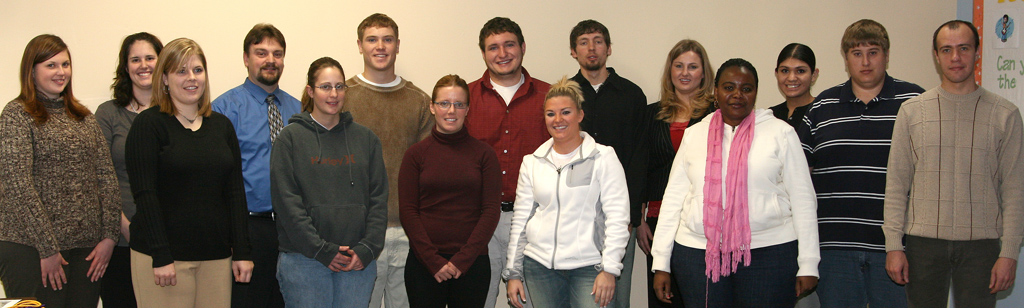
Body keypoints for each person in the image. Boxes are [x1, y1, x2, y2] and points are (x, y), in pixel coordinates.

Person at [650, 58, 819, 307]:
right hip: (698, 255)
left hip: (769, 253)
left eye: (746, 88)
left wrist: (808, 263)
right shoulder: (695, 135)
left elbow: (803, 200)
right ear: (715, 92)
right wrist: (661, 262)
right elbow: (673, 199)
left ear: (755, 93)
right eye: (729, 87)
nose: (737, 95)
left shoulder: (780, 133)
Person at [884, 20, 1024, 307]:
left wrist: (1009, 253)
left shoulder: (1005, 114)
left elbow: (1015, 189)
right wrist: (894, 246)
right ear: (936, 56)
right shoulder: (912, 112)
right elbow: (897, 184)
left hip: (982, 247)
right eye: (946, 50)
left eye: (963, 48)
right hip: (922, 245)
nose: (955, 57)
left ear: (977, 53)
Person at [796, 19, 924, 308]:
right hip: (834, 251)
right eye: (856, 53)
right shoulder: (821, 107)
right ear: (846, 59)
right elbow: (798, 178)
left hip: (895, 249)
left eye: (873, 52)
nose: (865, 62)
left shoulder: (915, 102)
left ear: (887, 55)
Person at [125, 38, 253, 308]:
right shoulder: (148, 125)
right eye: (181, 71)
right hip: (164, 260)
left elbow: (234, 192)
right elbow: (145, 195)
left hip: (216, 257)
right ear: (165, 79)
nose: (191, 78)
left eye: (198, 70)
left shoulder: (221, 126)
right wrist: (161, 255)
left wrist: (242, 251)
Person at [0, 34, 120, 308]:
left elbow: (107, 178)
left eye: (65, 64)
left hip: (86, 253)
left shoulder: (84, 117)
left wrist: (109, 237)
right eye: (51, 65)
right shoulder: (16, 115)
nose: (61, 72)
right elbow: (18, 185)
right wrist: (47, 248)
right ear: (31, 70)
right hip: (30, 250)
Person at [270, 56, 387, 307]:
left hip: (356, 261)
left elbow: (379, 199)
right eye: (325, 87)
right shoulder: (289, 139)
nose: (333, 94)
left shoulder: (366, 140)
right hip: (304, 260)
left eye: (339, 86)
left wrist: (368, 249)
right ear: (311, 91)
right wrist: (321, 250)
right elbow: (287, 203)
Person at [504, 77, 630, 308]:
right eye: (551, 114)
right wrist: (513, 273)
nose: (558, 120)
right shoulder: (532, 163)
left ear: (580, 115)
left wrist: (610, 269)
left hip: (590, 268)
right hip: (540, 268)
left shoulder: (603, 157)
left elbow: (618, 218)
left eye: (566, 112)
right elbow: (520, 221)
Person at [342, 14, 433, 308]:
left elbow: (429, 171)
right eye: (372, 39)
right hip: (358, 235)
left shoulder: (419, 100)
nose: (380, 47)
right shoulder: (340, 97)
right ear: (359, 45)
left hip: (408, 234)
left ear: (397, 45)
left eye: (387, 39)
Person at [465, 17, 551, 308]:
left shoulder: (549, 97)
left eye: (509, 45)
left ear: (523, 47)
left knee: (532, 303)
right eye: (493, 47)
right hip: (479, 221)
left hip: (533, 220)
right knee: (478, 301)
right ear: (484, 53)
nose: (502, 54)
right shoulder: (464, 99)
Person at [211, 23, 299, 308]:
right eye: (261, 52)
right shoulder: (224, 109)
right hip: (247, 227)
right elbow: (216, 176)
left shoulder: (299, 110)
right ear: (246, 58)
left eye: (277, 53)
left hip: (292, 228)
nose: (270, 60)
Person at [399, 74, 501, 307]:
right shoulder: (415, 155)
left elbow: (491, 211)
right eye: (444, 103)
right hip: (424, 265)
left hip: (472, 264)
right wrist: (433, 261)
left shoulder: (484, 155)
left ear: (467, 109)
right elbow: (408, 211)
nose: (451, 111)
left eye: (459, 104)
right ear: (432, 107)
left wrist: (462, 262)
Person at [567, 20, 647, 307]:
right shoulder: (564, 95)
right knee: (581, 296)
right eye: (584, 41)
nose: (592, 47)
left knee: (617, 297)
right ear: (573, 51)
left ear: (609, 48)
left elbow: (639, 157)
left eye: (598, 41)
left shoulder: (632, 95)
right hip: (575, 215)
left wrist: (632, 217)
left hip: (620, 213)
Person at [642, 39, 716, 308]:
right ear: (670, 70)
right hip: (659, 219)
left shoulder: (718, 115)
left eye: (693, 67)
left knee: (700, 296)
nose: (685, 73)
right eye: (679, 66)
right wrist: (639, 220)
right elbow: (643, 168)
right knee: (664, 296)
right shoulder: (651, 115)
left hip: (704, 221)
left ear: (704, 73)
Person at [95, 32, 163, 308]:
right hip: (120, 241)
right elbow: (99, 177)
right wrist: (124, 226)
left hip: (168, 241)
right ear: (125, 66)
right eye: (135, 59)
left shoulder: (176, 114)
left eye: (150, 58)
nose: (143, 65)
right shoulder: (108, 114)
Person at [770, 43, 818, 127]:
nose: (791, 78)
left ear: (814, 75)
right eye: (785, 71)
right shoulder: (770, 116)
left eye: (800, 71)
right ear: (777, 74)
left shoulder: (824, 113)